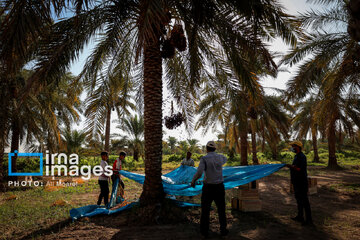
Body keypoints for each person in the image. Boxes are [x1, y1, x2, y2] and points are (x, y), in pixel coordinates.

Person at [191, 141, 228, 237]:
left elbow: (199, 173)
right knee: (221, 209)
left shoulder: (204, 158)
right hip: (219, 187)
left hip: (208, 188)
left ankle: (205, 232)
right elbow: (225, 159)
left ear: (206, 149)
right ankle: (223, 230)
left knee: (205, 210)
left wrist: (193, 181)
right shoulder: (221, 157)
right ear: (215, 149)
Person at [286, 140, 313, 226]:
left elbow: (298, 169)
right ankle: (300, 216)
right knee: (299, 200)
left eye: (294, 146)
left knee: (305, 201)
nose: (293, 147)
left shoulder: (302, 156)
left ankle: (309, 221)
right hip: (296, 182)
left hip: (301, 182)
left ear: (299, 147)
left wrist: (289, 166)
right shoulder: (296, 156)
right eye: (292, 146)